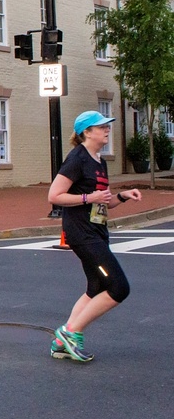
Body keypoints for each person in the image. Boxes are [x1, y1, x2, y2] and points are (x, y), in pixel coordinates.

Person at [46, 110, 142, 362]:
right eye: (101, 127)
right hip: (81, 233)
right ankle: (70, 332)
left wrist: (122, 196)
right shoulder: (77, 159)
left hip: (97, 230)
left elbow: (105, 202)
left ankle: (60, 343)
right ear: (86, 132)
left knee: (96, 287)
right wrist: (89, 198)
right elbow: (54, 196)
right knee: (119, 287)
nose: (107, 130)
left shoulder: (99, 160)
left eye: (108, 126)